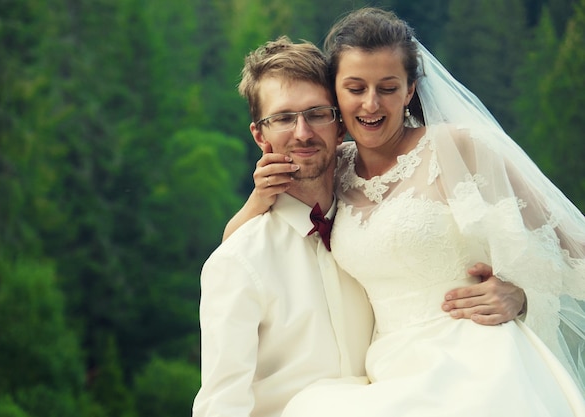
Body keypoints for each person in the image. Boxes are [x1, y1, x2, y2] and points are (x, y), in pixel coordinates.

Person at [232, 7, 585, 416]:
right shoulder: (334, 168)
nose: (371, 103)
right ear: (336, 94)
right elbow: (233, 255)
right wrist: (258, 200)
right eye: (355, 87)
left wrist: (522, 295)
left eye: (387, 87)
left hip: (479, 361)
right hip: (389, 371)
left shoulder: (459, 148)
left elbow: (575, 250)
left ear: (410, 89)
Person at [192, 36, 526, 417]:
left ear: (340, 126)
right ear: (259, 136)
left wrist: (520, 293)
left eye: (317, 114)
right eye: (284, 118)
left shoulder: (366, 226)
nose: (302, 132)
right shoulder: (241, 258)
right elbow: (220, 405)